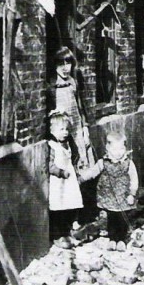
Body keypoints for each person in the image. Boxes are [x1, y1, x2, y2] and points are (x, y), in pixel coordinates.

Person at [47, 46, 97, 224]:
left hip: (76, 131)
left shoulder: (74, 82)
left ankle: (84, 215)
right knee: (68, 174)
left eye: (68, 63)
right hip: (63, 135)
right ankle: (67, 220)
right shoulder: (51, 86)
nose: (65, 67)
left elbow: (80, 107)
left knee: (83, 167)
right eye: (61, 63)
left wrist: (85, 127)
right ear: (54, 65)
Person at [94, 132, 139, 250]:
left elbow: (134, 179)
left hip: (123, 195)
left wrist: (132, 194)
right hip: (108, 196)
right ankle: (112, 238)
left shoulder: (128, 163)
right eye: (114, 149)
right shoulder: (103, 162)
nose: (118, 152)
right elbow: (93, 172)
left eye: (121, 148)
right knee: (112, 217)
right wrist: (81, 178)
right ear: (108, 148)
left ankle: (121, 239)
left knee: (122, 218)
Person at [46, 110, 83, 244]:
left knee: (71, 202)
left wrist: (75, 166)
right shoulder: (52, 146)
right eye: (61, 129)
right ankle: (58, 234)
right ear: (52, 130)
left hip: (69, 180)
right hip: (59, 182)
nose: (65, 132)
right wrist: (61, 172)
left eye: (67, 129)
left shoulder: (67, 143)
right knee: (59, 205)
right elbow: (49, 165)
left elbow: (74, 155)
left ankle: (70, 228)